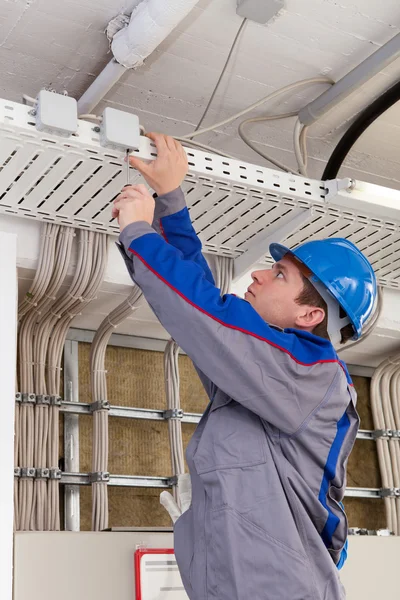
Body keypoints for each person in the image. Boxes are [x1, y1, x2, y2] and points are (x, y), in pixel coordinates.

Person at [113, 133, 377, 600]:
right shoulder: (262, 378)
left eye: (279, 275)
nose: (257, 273)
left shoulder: (309, 373)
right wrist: (171, 204)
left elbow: (208, 316)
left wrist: (139, 231)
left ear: (310, 316)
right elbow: (205, 319)